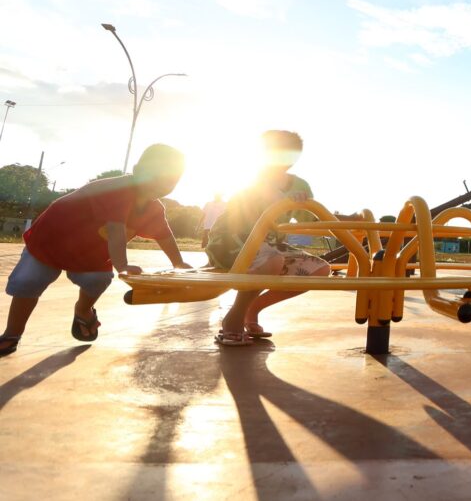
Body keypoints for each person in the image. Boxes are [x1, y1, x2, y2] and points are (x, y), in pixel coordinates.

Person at [0, 144, 189, 356]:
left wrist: (178, 262)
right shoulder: (119, 189)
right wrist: (122, 265)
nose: (161, 183)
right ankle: (12, 334)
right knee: (29, 281)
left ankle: (83, 311)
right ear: (136, 171)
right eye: (154, 175)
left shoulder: (154, 209)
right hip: (51, 242)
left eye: (170, 180)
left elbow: (164, 235)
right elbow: (116, 230)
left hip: (90, 253)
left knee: (97, 279)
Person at [208, 130, 346, 346]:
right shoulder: (253, 178)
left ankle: (253, 308)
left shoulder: (300, 185)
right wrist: (283, 198)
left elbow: (312, 220)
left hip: (271, 244)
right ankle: (234, 318)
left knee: (319, 269)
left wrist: (345, 219)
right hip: (231, 240)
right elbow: (247, 204)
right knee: (272, 260)